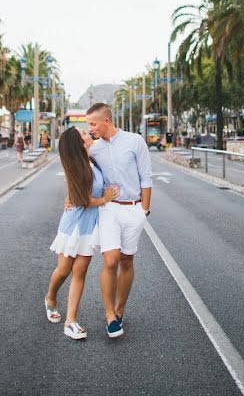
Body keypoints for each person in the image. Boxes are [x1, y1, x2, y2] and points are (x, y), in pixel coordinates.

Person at [45, 127, 119, 340]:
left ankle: (71, 321)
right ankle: (50, 298)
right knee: (63, 269)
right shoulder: (76, 166)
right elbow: (81, 201)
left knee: (80, 271)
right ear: (79, 143)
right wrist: (105, 199)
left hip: (90, 225)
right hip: (74, 224)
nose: (88, 134)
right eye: (84, 134)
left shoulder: (92, 161)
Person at [86, 102, 152, 339]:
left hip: (133, 209)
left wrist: (144, 211)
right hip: (109, 209)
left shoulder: (135, 141)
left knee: (126, 260)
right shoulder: (93, 149)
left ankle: (120, 310)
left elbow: (146, 177)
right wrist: (70, 196)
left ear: (106, 121)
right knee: (111, 260)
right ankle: (109, 316)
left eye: (92, 123)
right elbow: (79, 171)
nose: (90, 128)